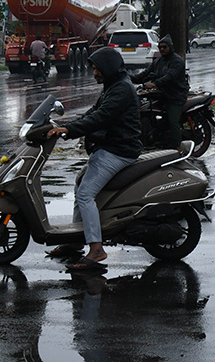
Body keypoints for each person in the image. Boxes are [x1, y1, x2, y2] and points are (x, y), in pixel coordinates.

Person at [46, 46, 142, 269]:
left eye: (98, 69)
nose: (95, 73)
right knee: (81, 185)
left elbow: (101, 117)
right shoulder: (113, 86)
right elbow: (93, 112)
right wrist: (65, 126)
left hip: (119, 150)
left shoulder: (121, 90)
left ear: (108, 68)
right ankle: (76, 240)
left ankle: (96, 249)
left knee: (86, 193)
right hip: (111, 147)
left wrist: (70, 131)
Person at [131, 34, 189, 149]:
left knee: (173, 122)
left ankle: (177, 148)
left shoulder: (177, 61)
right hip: (162, 95)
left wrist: (155, 83)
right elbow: (144, 74)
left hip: (175, 95)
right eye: (160, 47)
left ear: (170, 47)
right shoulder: (158, 61)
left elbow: (170, 76)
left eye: (164, 47)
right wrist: (128, 77)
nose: (162, 49)